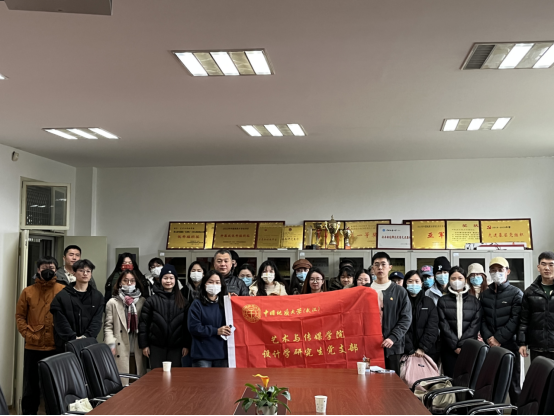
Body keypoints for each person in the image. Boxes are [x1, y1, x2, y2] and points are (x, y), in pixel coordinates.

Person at [16, 257, 65, 416]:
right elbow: (20, 316)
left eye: (51, 267)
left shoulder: (63, 290)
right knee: (31, 386)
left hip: (55, 346)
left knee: (54, 385)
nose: (48, 270)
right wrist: (28, 334)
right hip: (33, 346)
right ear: (38, 270)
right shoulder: (28, 291)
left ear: (56, 270)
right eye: (44, 267)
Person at [481, 257, 523, 409]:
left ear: (508, 271)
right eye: (493, 270)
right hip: (491, 346)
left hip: (510, 345)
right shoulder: (485, 294)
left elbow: (515, 320)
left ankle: (517, 410)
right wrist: (489, 338)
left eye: (500, 270)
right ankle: (492, 410)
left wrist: (498, 338)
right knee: (492, 382)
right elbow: (482, 319)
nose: (497, 273)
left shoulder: (516, 293)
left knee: (513, 384)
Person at [139, 265, 190, 369]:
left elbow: (186, 326)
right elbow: (144, 324)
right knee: (156, 375)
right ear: (160, 279)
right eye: (165, 278)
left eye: (171, 278)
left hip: (177, 347)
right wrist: (144, 345)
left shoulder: (183, 301)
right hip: (156, 346)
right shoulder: (151, 301)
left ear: (175, 280)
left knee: (175, 375)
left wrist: (186, 345)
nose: (168, 281)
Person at [50, 259, 105, 352]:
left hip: (89, 345)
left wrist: (86, 337)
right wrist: (73, 337)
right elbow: (60, 321)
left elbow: (97, 321)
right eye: (81, 270)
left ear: (91, 274)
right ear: (74, 273)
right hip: (65, 344)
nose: (85, 274)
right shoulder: (62, 296)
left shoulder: (97, 296)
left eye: (88, 271)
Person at [371, 252, 412, 375]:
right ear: (372, 268)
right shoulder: (366, 290)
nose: (380, 267)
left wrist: (393, 337)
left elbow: (406, 318)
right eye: (376, 264)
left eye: (383, 264)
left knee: (391, 381)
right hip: (370, 344)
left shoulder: (399, 291)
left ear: (390, 267)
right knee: (369, 380)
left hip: (392, 346)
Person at [437, 266, 482, 377]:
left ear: (465, 280)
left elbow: (475, 325)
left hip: (470, 348)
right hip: (449, 348)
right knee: (450, 379)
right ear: (449, 280)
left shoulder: (474, 301)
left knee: (468, 379)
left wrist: (463, 345)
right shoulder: (442, 301)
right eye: (453, 278)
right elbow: (443, 324)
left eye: (460, 278)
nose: (456, 281)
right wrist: (455, 346)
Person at [104, 270, 146, 385]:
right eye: (125, 280)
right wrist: (110, 343)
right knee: (123, 385)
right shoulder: (112, 302)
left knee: (138, 384)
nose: (129, 283)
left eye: (132, 281)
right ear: (119, 283)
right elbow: (108, 326)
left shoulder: (142, 301)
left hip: (137, 346)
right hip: (119, 347)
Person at [188, 271, 230, 368]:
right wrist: (216, 331)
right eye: (210, 282)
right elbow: (194, 327)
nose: (214, 285)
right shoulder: (197, 304)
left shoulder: (226, 304)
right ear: (204, 284)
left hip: (222, 354)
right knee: (203, 379)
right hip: (202, 354)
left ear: (222, 285)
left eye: (217, 282)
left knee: (223, 379)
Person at [519, 251, 554, 362]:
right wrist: (522, 343)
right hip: (537, 346)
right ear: (538, 267)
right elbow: (524, 320)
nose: (547, 268)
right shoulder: (530, 292)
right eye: (543, 264)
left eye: (551, 265)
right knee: (539, 373)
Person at [403, 270, 440, 364]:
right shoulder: (401, 302)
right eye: (410, 281)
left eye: (417, 281)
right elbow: (399, 326)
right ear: (405, 283)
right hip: (405, 351)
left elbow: (432, 327)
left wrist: (422, 347)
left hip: (427, 351)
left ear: (422, 283)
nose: (413, 284)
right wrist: (409, 349)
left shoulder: (428, 302)